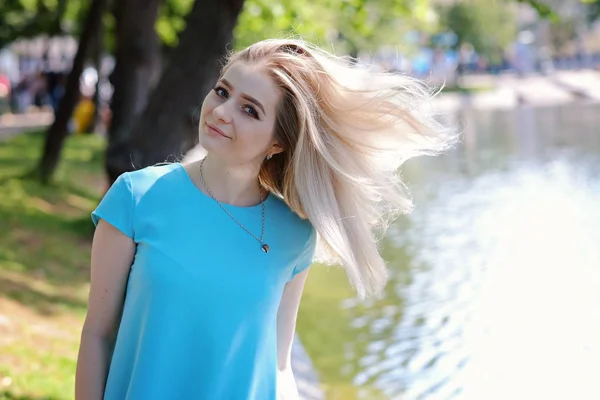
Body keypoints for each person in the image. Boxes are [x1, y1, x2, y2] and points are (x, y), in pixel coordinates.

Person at [75, 39, 453, 400]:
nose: (222, 111)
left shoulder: (294, 233)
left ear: (278, 143)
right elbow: (97, 335)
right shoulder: (137, 198)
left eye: (250, 109)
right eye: (222, 92)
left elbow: (278, 362)